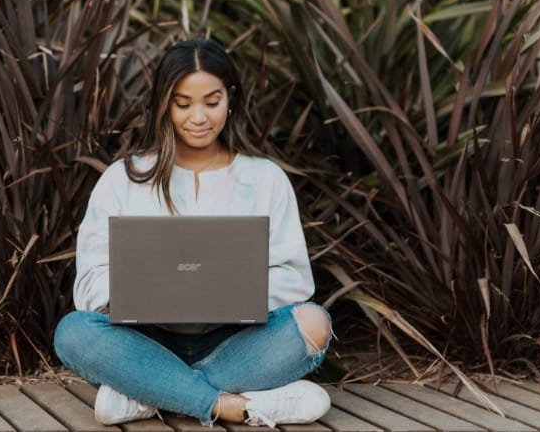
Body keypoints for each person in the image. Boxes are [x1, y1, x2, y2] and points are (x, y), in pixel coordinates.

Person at [53, 38, 332, 427]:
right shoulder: (124, 178)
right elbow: (90, 282)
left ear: (230, 98)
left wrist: (232, 293)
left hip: (236, 343)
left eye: (211, 101)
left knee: (315, 324)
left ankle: (150, 394)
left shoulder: (265, 178)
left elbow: (294, 280)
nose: (198, 117)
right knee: (73, 332)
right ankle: (225, 404)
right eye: (183, 104)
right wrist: (147, 294)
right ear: (164, 104)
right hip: (145, 340)